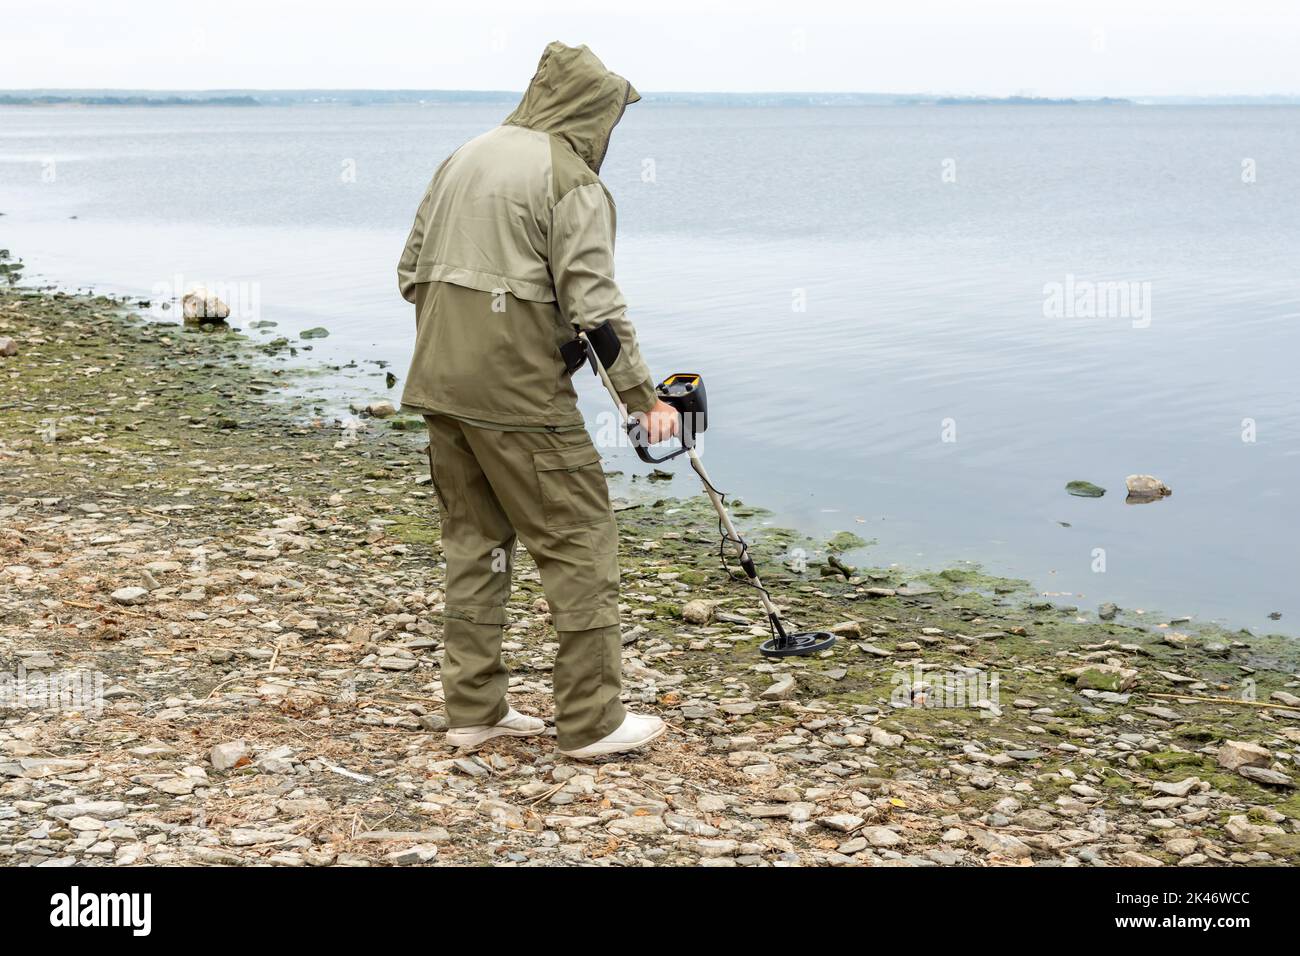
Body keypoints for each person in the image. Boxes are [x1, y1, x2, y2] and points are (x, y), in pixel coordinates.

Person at [396, 42, 679, 760]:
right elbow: (595, 304)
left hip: (440, 382)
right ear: (593, 112)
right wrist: (644, 401)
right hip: (518, 395)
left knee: (476, 544)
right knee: (580, 539)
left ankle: (475, 710)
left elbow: (411, 270)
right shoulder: (570, 178)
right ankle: (592, 722)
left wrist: (474, 334)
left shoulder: (467, 153)